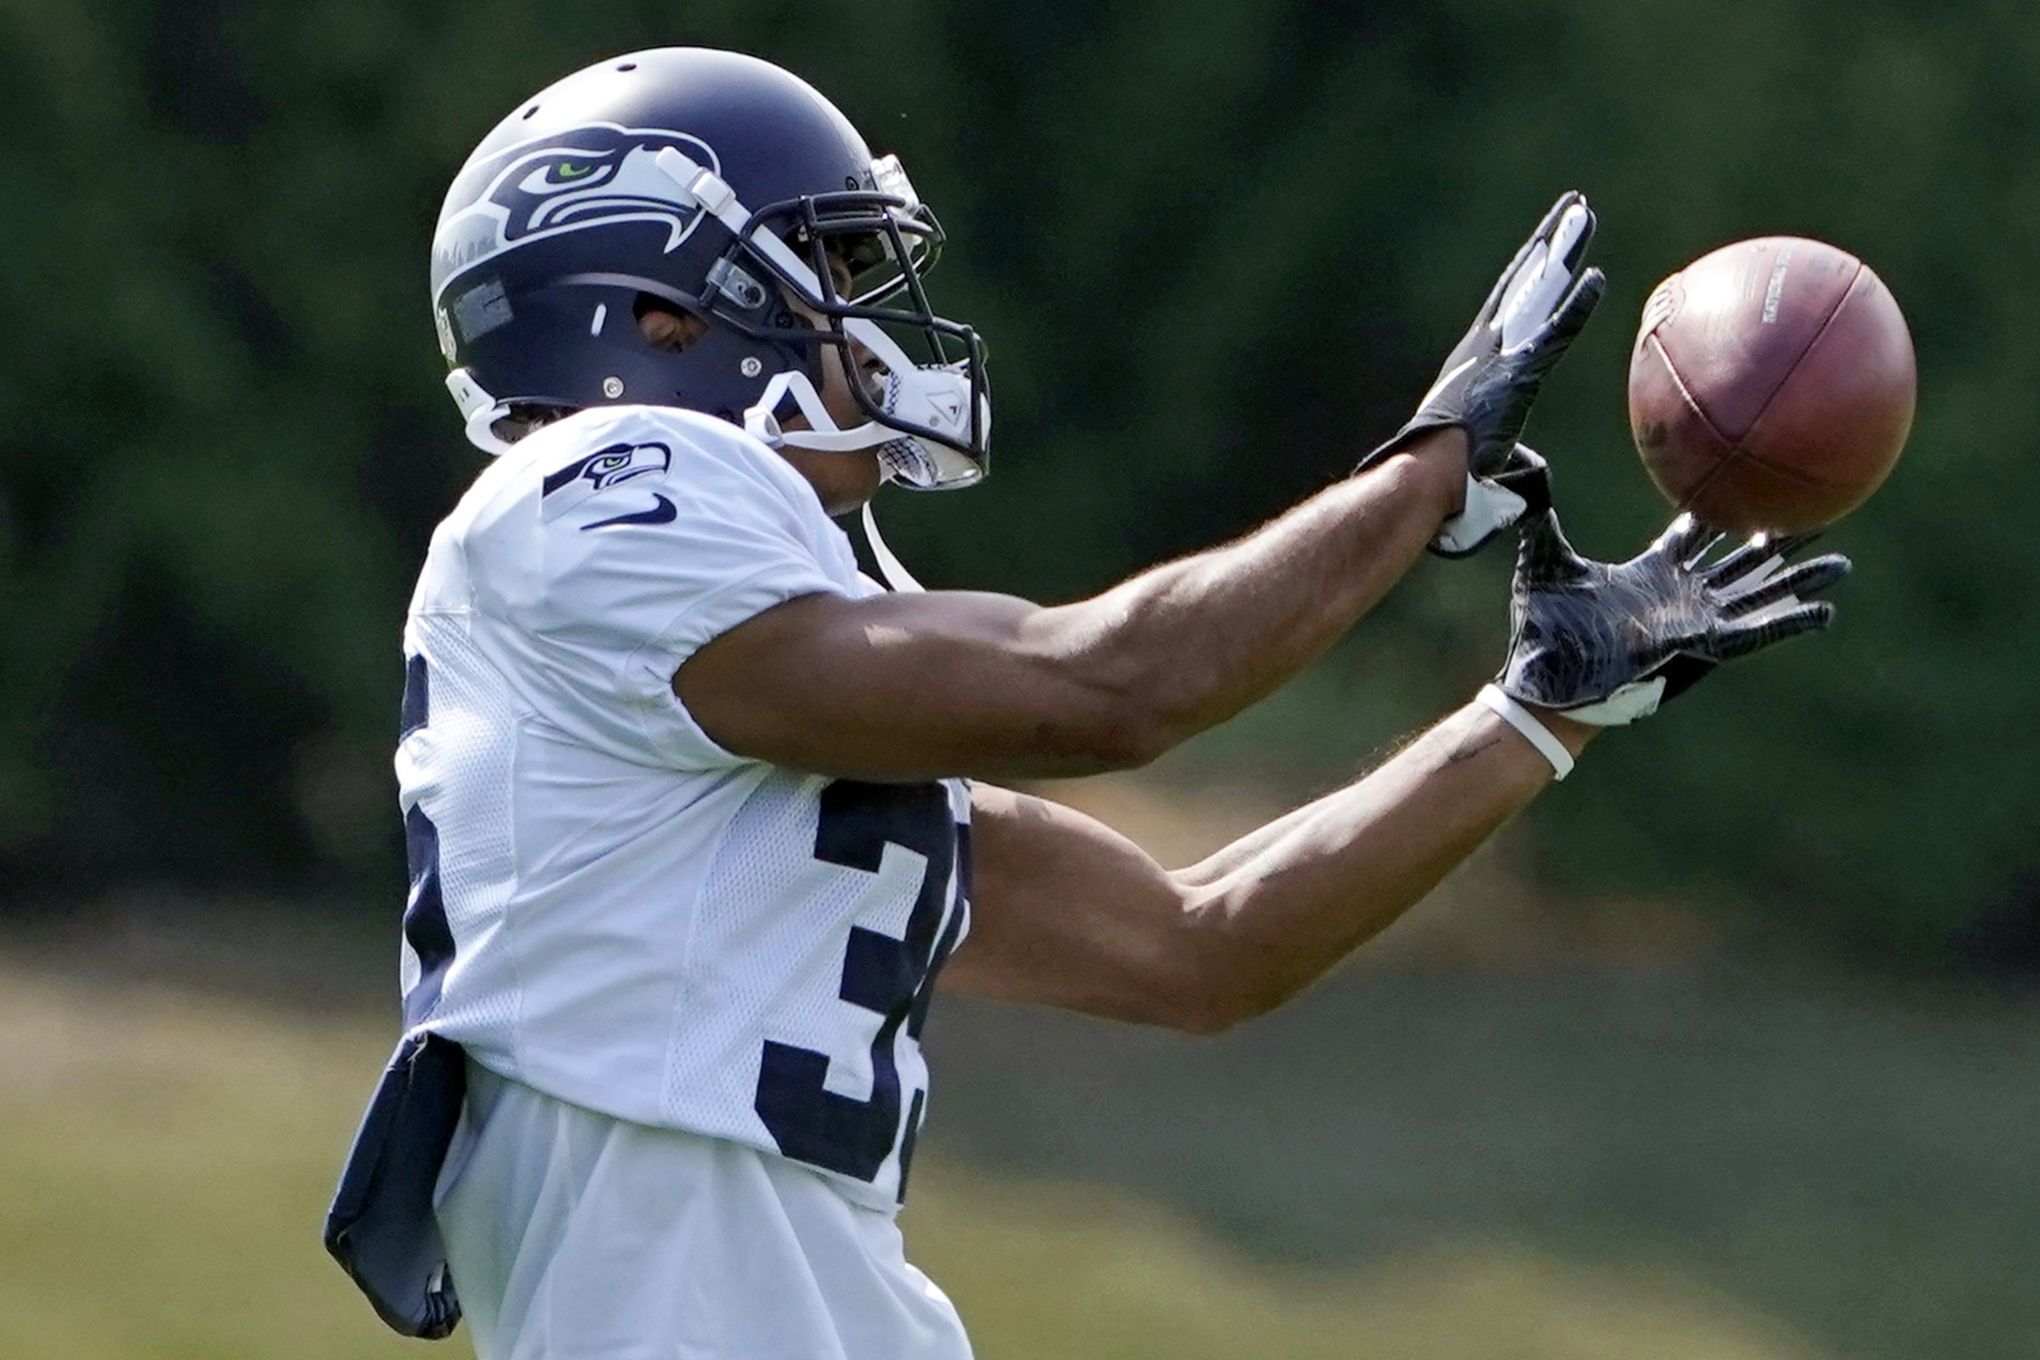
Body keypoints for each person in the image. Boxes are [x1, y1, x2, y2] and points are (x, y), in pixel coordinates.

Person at [323, 45, 1850, 1360]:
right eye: (836, 271)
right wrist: (1427, 466)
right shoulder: (581, 497)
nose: (871, 331)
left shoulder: (730, 745)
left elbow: (1204, 948)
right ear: (662, 315)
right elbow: (1109, 691)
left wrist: (1543, 708)